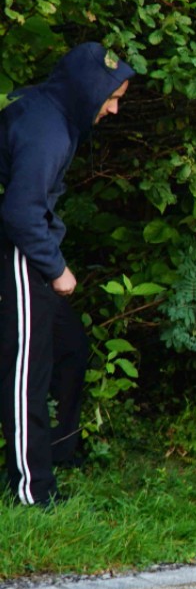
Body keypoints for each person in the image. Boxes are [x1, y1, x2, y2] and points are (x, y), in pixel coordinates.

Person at [0, 42, 134, 507]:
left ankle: (56, 453)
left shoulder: (49, 111)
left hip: (31, 244)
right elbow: (19, 213)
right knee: (26, 373)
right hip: (17, 251)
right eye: (111, 98)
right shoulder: (48, 131)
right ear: (87, 89)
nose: (114, 109)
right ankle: (31, 490)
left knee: (71, 347)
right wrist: (56, 269)